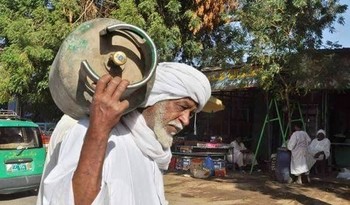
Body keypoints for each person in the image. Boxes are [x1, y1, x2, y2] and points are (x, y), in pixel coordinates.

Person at [37, 62, 211, 205]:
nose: (186, 120)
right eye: (182, 107)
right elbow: (69, 200)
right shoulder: (89, 130)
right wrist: (99, 130)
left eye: (192, 113)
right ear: (154, 98)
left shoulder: (151, 148)